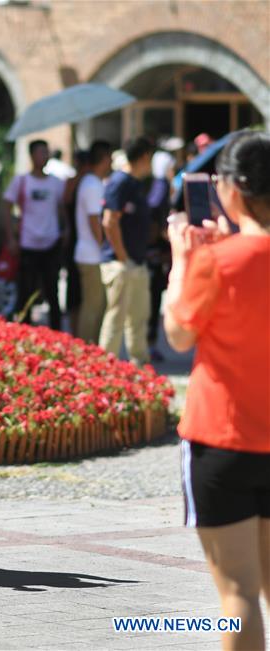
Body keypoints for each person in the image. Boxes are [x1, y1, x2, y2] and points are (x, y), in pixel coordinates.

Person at [164, 130, 270, 651]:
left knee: (238, 598)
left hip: (222, 439)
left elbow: (179, 333)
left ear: (230, 189)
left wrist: (182, 260)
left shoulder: (218, 260)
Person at [98, 136, 155, 366]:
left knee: (138, 317)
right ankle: (105, 366)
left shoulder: (135, 183)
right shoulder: (119, 182)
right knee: (116, 318)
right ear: (144, 157)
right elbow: (109, 221)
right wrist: (122, 257)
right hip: (120, 263)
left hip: (137, 262)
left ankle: (139, 363)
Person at [3, 139, 66, 329]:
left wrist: (66, 230)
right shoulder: (21, 181)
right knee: (26, 292)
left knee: (52, 293)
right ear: (32, 156)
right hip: (28, 244)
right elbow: (7, 206)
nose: (44, 156)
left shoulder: (56, 183)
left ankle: (57, 333)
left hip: (51, 243)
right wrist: (11, 238)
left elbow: (62, 208)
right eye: (41, 152)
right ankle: (24, 332)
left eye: (47, 152)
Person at [74, 140, 112, 344]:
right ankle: (86, 349)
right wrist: (103, 247)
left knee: (96, 306)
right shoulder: (92, 184)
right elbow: (93, 220)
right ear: (104, 159)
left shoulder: (92, 183)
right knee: (93, 307)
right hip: (91, 255)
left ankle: (89, 348)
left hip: (90, 253)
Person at [146, 150, 175, 361]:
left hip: (152, 250)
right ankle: (149, 343)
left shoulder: (151, 184)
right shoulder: (161, 186)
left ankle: (149, 342)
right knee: (153, 299)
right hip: (155, 252)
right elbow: (155, 211)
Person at [62, 149, 90, 337]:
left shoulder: (90, 183)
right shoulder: (73, 183)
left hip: (80, 241)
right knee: (74, 294)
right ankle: (75, 332)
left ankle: (81, 332)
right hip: (75, 241)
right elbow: (66, 203)